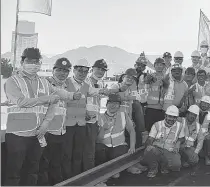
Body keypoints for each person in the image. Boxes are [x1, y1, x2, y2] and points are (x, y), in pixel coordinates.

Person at [4, 48, 81, 186]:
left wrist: (72, 96)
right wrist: (47, 99)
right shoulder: (12, 81)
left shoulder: (43, 82)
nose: (33, 64)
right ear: (22, 61)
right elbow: (21, 102)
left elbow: (58, 92)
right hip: (18, 135)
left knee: (33, 171)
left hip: (38, 134)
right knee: (14, 173)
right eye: (29, 61)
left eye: (36, 61)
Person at [38, 58, 80, 186]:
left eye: (65, 71)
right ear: (53, 70)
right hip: (47, 132)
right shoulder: (46, 84)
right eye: (59, 70)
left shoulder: (66, 86)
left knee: (56, 164)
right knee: (43, 165)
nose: (62, 73)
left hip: (60, 132)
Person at [95, 94, 137, 179]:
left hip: (119, 147)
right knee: (99, 149)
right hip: (105, 149)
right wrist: (103, 129)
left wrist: (132, 147)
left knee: (116, 174)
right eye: (110, 103)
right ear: (106, 104)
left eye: (116, 103)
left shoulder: (123, 114)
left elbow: (132, 131)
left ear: (119, 106)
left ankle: (117, 170)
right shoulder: (100, 117)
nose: (113, 105)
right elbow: (98, 140)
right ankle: (108, 172)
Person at [144, 105, 184, 178]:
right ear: (165, 116)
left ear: (177, 118)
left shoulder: (180, 126)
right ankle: (153, 169)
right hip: (157, 150)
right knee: (149, 150)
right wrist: (149, 145)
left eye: (174, 117)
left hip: (169, 151)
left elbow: (182, 138)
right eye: (170, 116)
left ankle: (163, 164)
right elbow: (150, 139)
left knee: (176, 166)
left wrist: (178, 143)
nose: (171, 119)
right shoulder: (157, 125)